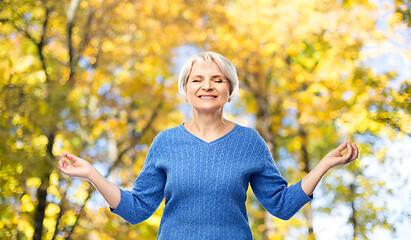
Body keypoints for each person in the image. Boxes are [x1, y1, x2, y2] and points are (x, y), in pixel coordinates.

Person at [58, 52, 359, 239]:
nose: (207, 86)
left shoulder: (249, 142)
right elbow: (137, 210)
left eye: (218, 80)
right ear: (185, 91)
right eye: (197, 80)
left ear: (230, 92)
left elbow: (282, 205)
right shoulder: (166, 142)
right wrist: (91, 174)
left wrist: (325, 164)